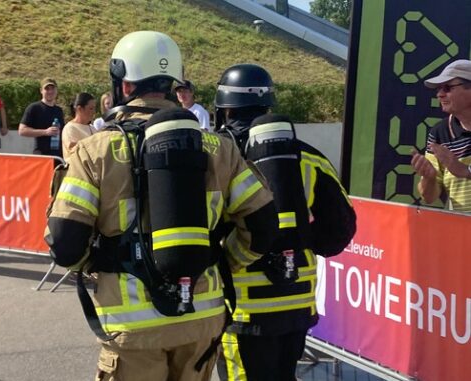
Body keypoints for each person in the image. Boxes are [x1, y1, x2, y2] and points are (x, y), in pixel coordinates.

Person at [44, 31, 278, 381]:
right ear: (174, 82)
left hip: (132, 327)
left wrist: (99, 264)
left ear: (124, 85)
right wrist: (224, 259)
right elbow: (263, 225)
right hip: (202, 316)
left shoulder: (95, 152)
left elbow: (63, 242)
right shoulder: (219, 148)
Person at [214, 64, 356, 381]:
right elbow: (339, 234)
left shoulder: (221, 160)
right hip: (297, 305)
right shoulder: (310, 158)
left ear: (224, 109)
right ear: (268, 106)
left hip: (244, 309)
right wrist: (302, 238)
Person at [411, 59, 471, 213]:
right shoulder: (439, 132)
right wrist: (429, 179)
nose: (440, 94)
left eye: (447, 88)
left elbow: (463, 170)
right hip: (462, 231)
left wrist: (466, 170)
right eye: (438, 89)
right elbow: (429, 197)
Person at [18, 77, 65, 157]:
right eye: (47, 89)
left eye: (52, 88)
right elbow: (22, 131)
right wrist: (45, 132)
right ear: (41, 91)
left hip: (59, 156)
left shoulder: (59, 110)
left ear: (56, 90)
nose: (50, 91)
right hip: (42, 155)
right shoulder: (34, 107)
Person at [61, 92, 96, 162]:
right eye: (91, 108)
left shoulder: (92, 128)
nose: (94, 112)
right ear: (80, 109)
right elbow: (74, 150)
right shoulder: (70, 128)